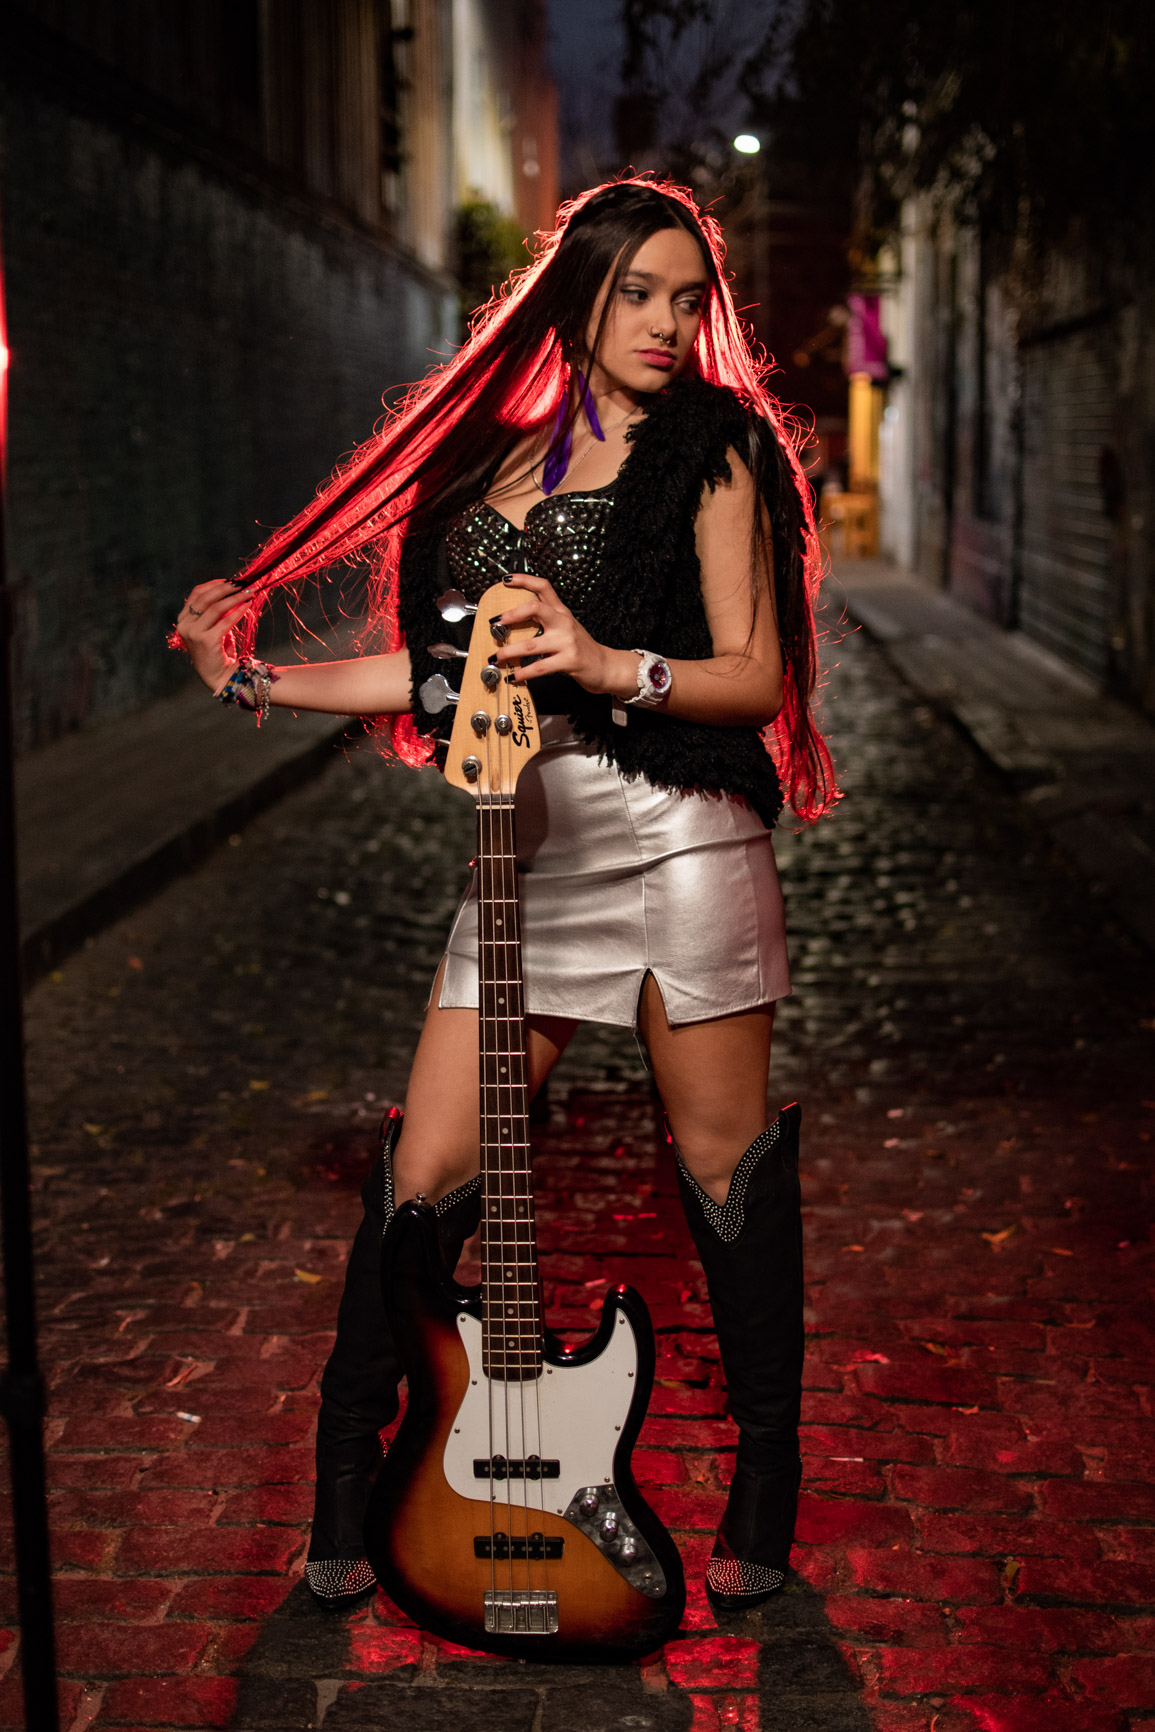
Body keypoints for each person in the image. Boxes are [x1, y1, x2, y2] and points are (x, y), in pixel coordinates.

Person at [173, 177, 835, 1618]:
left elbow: (754, 678)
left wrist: (604, 665)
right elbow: (429, 674)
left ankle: (767, 1479)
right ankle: (349, 1471)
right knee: (422, 1176)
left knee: (723, 1169)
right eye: (637, 293)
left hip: (682, 844)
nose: (666, 323)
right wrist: (247, 677)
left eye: (687, 299)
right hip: (523, 853)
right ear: (574, 296)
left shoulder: (714, 450)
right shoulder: (494, 465)